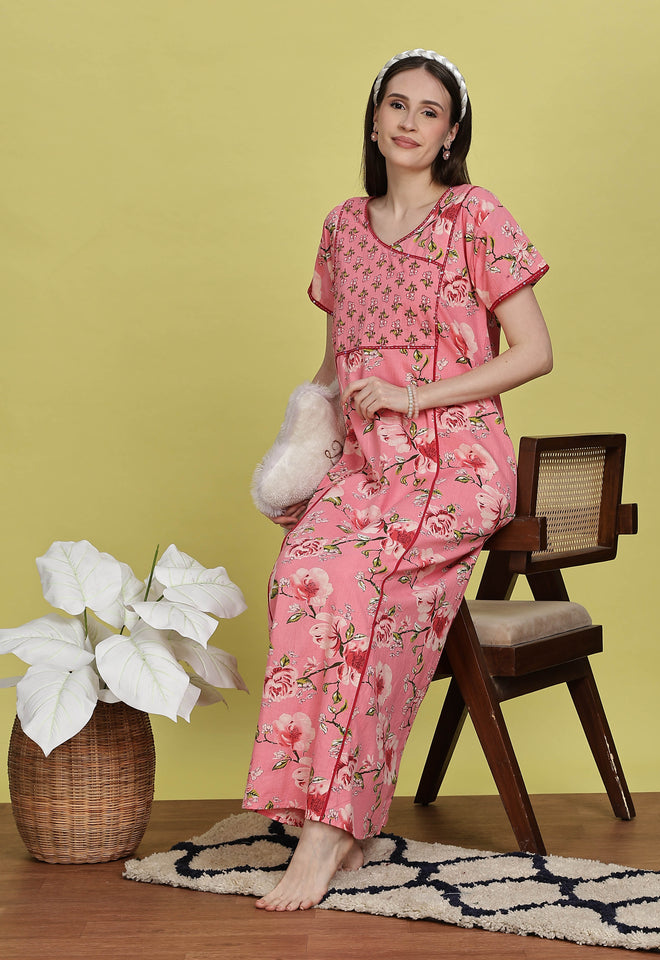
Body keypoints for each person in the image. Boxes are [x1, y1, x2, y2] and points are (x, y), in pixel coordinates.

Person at [243, 48, 553, 912]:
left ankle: (331, 830)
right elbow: (337, 361)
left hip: (456, 459)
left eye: (430, 110)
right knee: (302, 578)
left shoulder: (475, 215)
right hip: (366, 463)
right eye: (397, 105)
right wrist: (300, 445)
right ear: (375, 120)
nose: (410, 121)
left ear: (451, 134)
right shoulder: (343, 226)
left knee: (366, 590)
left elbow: (535, 352)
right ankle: (325, 815)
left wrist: (417, 396)